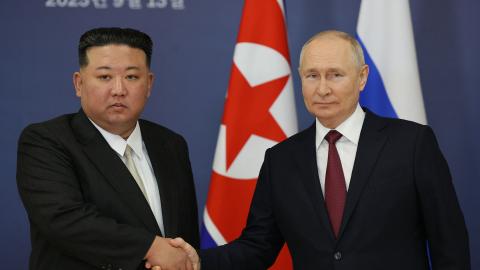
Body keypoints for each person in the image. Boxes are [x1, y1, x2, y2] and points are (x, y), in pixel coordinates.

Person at [174, 30, 471, 269]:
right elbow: (258, 247)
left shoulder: (412, 144)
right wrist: (196, 260)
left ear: (362, 77)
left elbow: (450, 244)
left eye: (335, 75)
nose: (323, 89)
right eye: (312, 76)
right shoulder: (281, 159)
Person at [17, 27, 199, 270]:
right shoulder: (46, 140)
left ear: (149, 84)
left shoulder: (171, 144)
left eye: (132, 77)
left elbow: (183, 234)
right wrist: (151, 248)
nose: (119, 89)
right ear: (79, 84)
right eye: (105, 77)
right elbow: (64, 220)